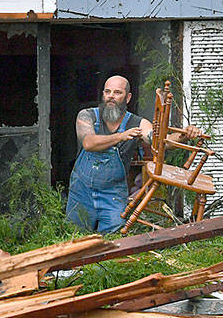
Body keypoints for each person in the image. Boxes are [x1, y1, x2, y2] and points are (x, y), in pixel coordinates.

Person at [65, 75, 202, 233]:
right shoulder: (87, 116)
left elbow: (159, 141)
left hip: (113, 194)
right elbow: (89, 143)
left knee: (114, 242)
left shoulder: (138, 123)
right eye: (107, 92)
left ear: (128, 97)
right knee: (74, 239)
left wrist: (184, 135)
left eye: (117, 92)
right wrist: (121, 136)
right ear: (103, 94)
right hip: (82, 191)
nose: (111, 96)